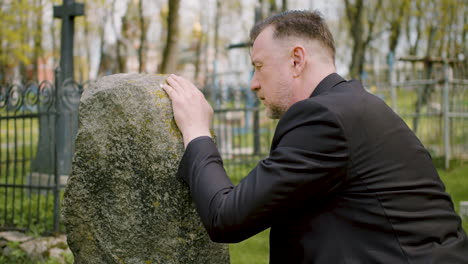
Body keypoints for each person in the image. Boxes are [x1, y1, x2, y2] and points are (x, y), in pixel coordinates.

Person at [162, 10, 468, 263]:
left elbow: (225, 216)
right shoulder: (354, 106)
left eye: (259, 67)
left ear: (296, 60)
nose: (253, 83)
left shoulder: (325, 119)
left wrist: (197, 131)